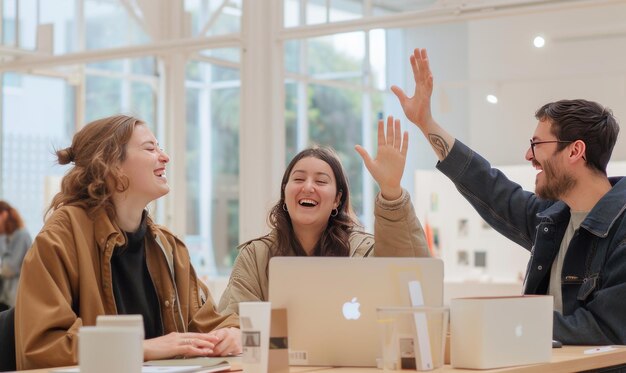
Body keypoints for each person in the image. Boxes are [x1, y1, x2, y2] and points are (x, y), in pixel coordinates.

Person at [392, 48, 626, 345]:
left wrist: (501, 317)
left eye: (537, 143)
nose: (528, 155)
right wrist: (426, 124)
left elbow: (604, 327)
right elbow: (488, 186)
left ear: (575, 151)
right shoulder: (550, 220)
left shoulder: (621, 230)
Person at [15, 115, 241, 370]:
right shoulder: (62, 235)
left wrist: (231, 333)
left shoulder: (168, 247)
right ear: (111, 164)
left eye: (161, 147)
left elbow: (209, 323)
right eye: (150, 148)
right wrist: (143, 348)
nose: (164, 157)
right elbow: (44, 346)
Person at [218, 115, 430, 314]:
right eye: (299, 179)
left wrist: (391, 189)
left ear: (337, 199)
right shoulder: (256, 256)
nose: (308, 187)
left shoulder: (362, 252)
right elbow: (232, 321)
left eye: (320, 181)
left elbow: (411, 279)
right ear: (285, 191)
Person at [0, 201, 32, 311]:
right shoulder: (6, 236)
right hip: (7, 296)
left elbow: (10, 267)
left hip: (17, 297)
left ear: (3, 215)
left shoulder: (21, 235)